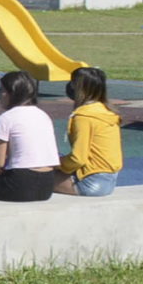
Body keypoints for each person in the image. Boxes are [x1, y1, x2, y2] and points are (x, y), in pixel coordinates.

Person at [0, 70, 60, 202]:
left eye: (2, 91)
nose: (0, 95)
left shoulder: (6, 118)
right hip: (47, 184)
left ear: (11, 93)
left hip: (21, 183)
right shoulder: (43, 115)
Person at [52, 65, 122, 196]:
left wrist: (57, 163)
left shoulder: (84, 117)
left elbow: (78, 158)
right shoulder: (107, 112)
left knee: (36, 177)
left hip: (90, 182)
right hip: (109, 179)